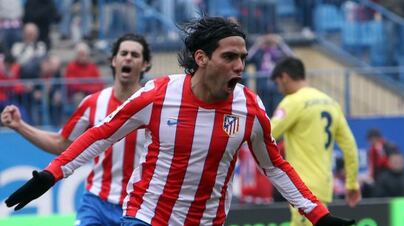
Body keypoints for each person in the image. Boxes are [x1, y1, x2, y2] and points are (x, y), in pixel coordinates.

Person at [4, 17, 354, 226]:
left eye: (243, 58)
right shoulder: (158, 93)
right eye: (229, 57)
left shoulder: (249, 107)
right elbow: (101, 135)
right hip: (146, 216)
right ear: (201, 58)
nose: (239, 67)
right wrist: (51, 175)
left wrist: (319, 216)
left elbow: (275, 166)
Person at [1, 33, 152, 226]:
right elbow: (61, 143)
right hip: (96, 202)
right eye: (124, 53)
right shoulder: (93, 103)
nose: (128, 57)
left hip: (137, 207)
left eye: (135, 54)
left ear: (145, 64)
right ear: (114, 60)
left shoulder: (153, 105)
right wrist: (19, 126)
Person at [270, 57, 361, 226]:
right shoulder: (331, 103)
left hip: (302, 190)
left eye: (277, 83)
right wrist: (352, 183)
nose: (279, 89)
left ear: (284, 77)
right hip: (324, 186)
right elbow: (349, 146)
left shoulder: (292, 102)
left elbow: (266, 133)